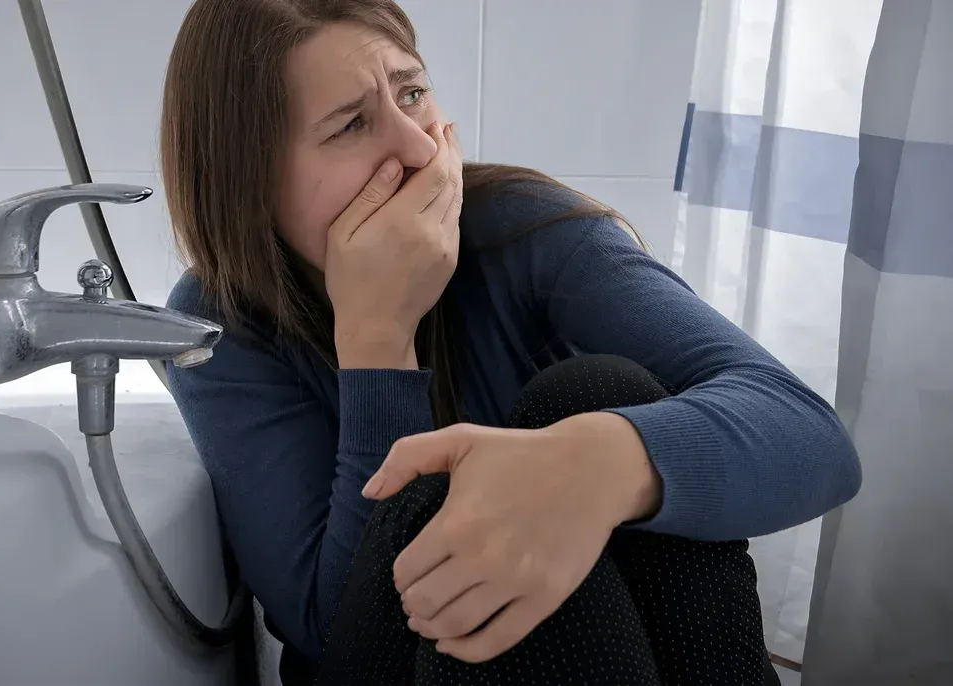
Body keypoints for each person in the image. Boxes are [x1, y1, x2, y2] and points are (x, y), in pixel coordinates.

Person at [159, 1, 862, 684]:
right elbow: (328, 634)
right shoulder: (222, 321)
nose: (417, 145)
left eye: (412, 93)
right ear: (249, 176)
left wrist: (593, 468)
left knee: (597, 397)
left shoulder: (520, 230)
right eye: (351, 125)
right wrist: (378, 339)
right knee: (445, 502)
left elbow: (814, 441)